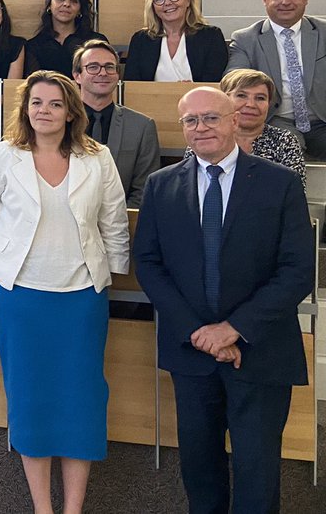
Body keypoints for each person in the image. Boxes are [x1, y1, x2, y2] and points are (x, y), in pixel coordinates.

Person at [134, 87, 313, 514]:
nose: (201, 127)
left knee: (257, 467)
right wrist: (200, 333)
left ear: (234, 120)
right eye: (191, 120)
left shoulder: (280, 183)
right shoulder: (161, 185)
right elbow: (149, 264)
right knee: (199, 464)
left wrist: (233, 330)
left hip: (260, 348)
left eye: (211, 117)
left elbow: (298, 269)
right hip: (191, 349)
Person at [0, 72, 129, 514]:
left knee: (82, 401)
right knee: (29, 398)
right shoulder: (3, 155)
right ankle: (42, 508)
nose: (44, 111)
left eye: (55, 104)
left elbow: (114, 221)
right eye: (36, 102)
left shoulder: (98, 158)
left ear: (71, 112)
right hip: (21, 297)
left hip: (82, 297)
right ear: (25, 109)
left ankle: (73, 509)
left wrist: (114, 270)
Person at [226, 0, 326, 158]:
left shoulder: (324, 32)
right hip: (276, 119)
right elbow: (233, 78)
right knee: (288, 147)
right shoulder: (246, 39)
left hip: (322, 119)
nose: (286, 2)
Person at [72, 39, 161, 208]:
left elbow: (144, 188)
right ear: (77, 76)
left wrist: (118, 218)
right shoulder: (61, 122)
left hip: (122, 219)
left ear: (118, 75)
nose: (103, 73)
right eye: (93, 67)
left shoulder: (142, 126)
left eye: (109, 67)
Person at [124, 0, 227, 82]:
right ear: (153, 7)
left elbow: (214, 82)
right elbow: (132, 84)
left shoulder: (211, 36)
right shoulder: (141, 40)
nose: (167, 3)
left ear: (188, 0)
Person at [212, 68, 305, 185]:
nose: (251, 104)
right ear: (225, 100)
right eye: (241, 95)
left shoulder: (284, 140)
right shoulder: (206, 137)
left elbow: (294, 189)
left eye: (260, 98)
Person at [24, 0, 106, 77]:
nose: (67, 4)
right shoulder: (34, 45)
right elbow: (33, 82)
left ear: (80, 10)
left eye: (74, 1)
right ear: (49, 5)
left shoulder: (96, 42)